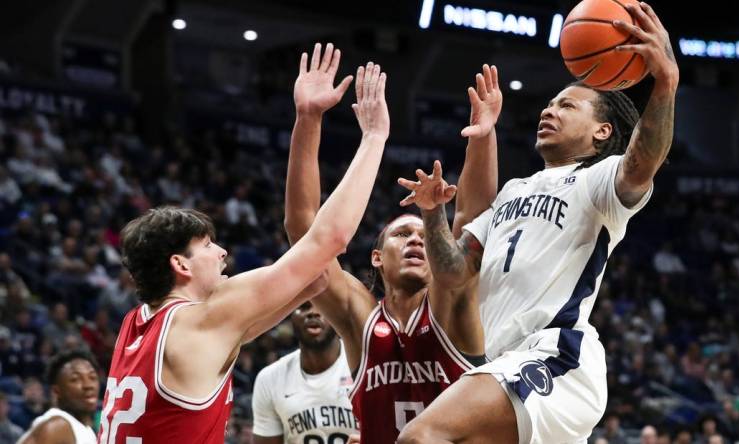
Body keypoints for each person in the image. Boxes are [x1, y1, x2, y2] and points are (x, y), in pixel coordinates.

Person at [396, 2, 679, 443]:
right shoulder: (513, 190)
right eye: (549, 104)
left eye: (567, 105)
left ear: (602, 132)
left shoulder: (597, 182)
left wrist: (664, 82)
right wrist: (433, 215)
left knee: (421, 436)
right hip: (503, 359)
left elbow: (643, 162)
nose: (549, 111)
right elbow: (453, 272)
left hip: (555, 354)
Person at [97, 56, 391, 443]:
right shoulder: (203, 318)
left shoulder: (136, 325)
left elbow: (315, 278)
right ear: (179, 264)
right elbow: (328, 241)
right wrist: (373, 138)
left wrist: (308, 120)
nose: (222, 253)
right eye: (207, 246)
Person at [284, 43, 500, 442]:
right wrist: (309, 118)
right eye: (404, 234)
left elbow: (474, 219)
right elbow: (303, 231)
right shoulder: (359, 317)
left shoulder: (451, 306)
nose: (418, 240)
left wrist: (483, 138)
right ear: (378, 258)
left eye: (423, 235)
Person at [252, 300, 358, 443]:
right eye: (304, 306)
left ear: (337, 314)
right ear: (290, 316)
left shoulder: (364, 363)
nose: (313, 312)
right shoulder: (269, 378)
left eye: (322, 305)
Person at [18, 350, 100, 444]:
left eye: (92, 377)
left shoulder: (85, 429)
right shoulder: (58, 426)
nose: (88, 385)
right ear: (56, 391)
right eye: (75, 379)